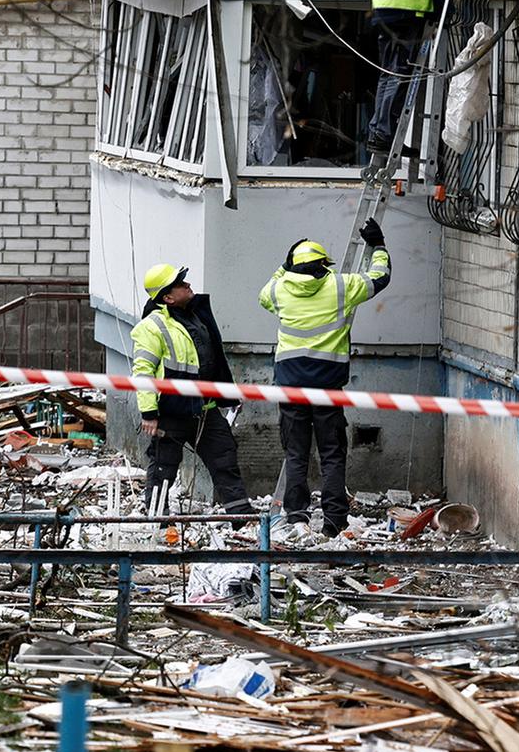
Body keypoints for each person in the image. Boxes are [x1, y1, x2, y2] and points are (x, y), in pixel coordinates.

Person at [258, 220, 392, 537]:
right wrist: (379, 245)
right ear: (322, 266)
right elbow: (380, 278)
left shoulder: (278, 290)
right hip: (327, 387)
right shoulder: (341, 286)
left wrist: (284, 264)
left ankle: (297, 517)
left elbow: (264, 294)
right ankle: (334, 521)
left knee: (296, 453)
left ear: (293, 266)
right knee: (332, 454)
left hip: (291, 386)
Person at [130, 264, 254, 524]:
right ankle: (158, 521)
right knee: (163, 467)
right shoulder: (152, 327)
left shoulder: (197, 315)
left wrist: (227, 393)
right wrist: (149, 413)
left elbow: (214, 359)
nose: (187, 285)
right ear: (167, 297)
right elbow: (143, 373)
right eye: (180, 283)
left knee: (225, 460)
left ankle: (241, 518)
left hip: (206, 410)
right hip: (171, 412)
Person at [364, 0, 450, 170]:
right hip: (406, 9)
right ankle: (384, 134)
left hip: (384, 7)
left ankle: (379, 132)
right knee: (399, 75)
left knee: (387, 73)